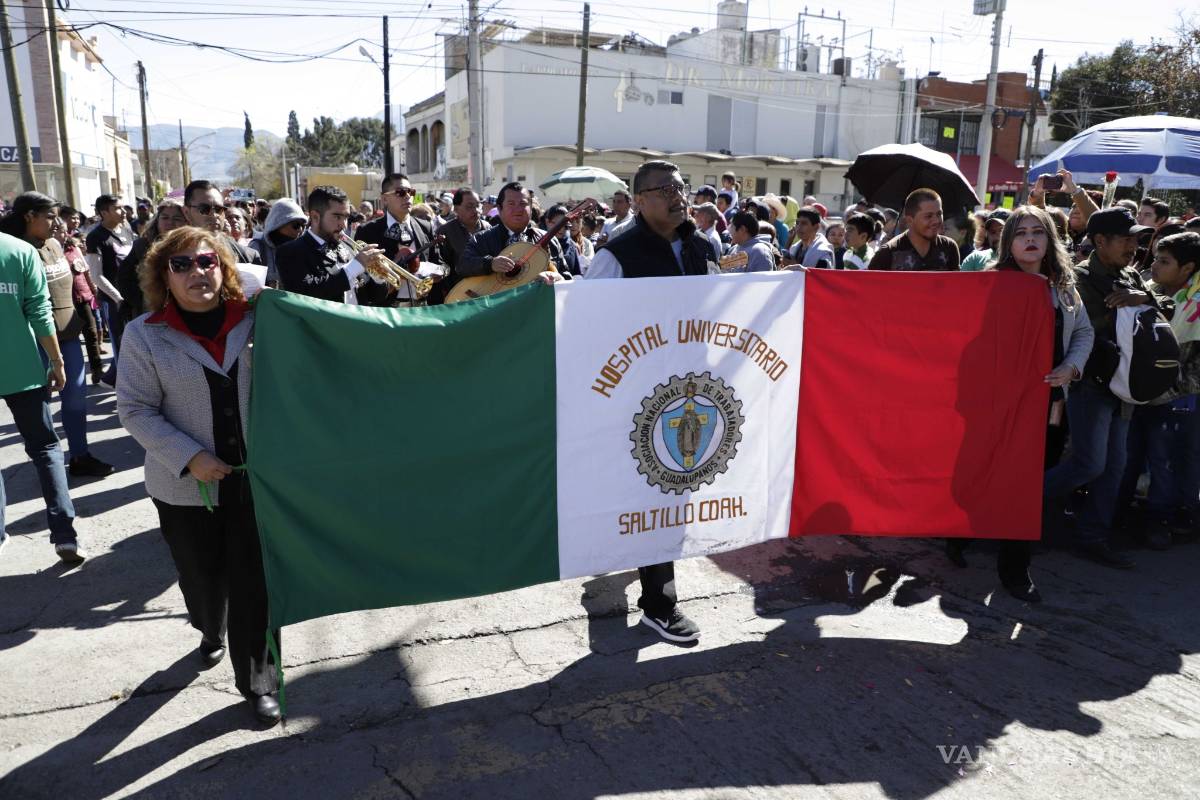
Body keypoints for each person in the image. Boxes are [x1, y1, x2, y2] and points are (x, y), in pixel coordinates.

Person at [116, 226, 280, 725]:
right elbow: (135, 409)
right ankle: (210, 627)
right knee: (204, 582)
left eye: (207, 261)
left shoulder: (256, 321)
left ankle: (258, 680)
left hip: (254, 484)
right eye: (182, 265)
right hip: (185, 489)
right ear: (164, 276)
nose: (197, 273)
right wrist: (189, 457)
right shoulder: (145, 333)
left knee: (254, 584)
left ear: (224, 268)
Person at [583, 161, 717, 642]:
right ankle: (659, 605)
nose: (679, 196)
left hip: (692, 396)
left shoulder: (702, 246)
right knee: (653, 492)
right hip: (637, 400)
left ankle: (643, 570)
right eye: (665, 190)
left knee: (675, 491)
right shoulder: (616, 254)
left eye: (681, 187)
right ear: (639, 201)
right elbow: (586, 321)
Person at [949, 206, 1095, 601]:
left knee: (1027, 487)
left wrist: (1071, 368)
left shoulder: (1063, 287)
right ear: (1007, 242)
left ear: (1049, 241)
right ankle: (957, 534)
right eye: (1021, 232)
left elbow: (1083, 331)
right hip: (992, 404)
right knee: (980, 472)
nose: (1030, 239)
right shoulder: (989, 285)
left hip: (1046, 404)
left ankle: (1015, 570)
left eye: (1038, 232)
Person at [1043, 207, 1160, 569]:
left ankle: (1093, 536)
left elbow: (1164, 306)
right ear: (1099, 241)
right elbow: (1080, 330)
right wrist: (1123, 308)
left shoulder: (1131, 277)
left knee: (1115, 466)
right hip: (1090, 384)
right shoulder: (1076, 279)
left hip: (1124, 386)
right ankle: (1016, 505)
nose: (1133, 245)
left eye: (1137, 238)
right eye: (1125, 238)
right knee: (1089, 463)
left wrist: (1145, 300)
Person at [1, 192, 115, 479]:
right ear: (29, 216)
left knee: (76, 398)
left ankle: (79, 455)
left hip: (67, 335)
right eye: (50, 217)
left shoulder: (55, 244)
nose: (57, 223)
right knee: (39, 409)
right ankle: (49, 464)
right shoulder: (16, 250)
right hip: (34, 343)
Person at [0, 228, 87, 562]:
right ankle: (65, 535)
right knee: (46, 447)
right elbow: (39, 309)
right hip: (24, 368)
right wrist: (56, 360)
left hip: (26, 372)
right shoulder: (20, 251)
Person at [1117, 232, 1200, 549]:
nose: (1154, 267)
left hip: (1178, 399)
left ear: (1187, 268)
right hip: (1137, 394)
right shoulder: (1147, 290)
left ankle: (1161, 519)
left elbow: (1196, 367)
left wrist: (1168, 389)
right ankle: (1119, 512)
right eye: (1154, 259)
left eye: (1163, 262)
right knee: (1130, 456)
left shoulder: (1196, 303)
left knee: (1167, 462)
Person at [276, 185, 385, 305]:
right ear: (315, 217)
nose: (344, 225)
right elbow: (305, 294)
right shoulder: (290, 251)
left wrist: (378, 277)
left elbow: (373, 297)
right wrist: (353, 268)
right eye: (337, 217)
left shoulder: (347, 247)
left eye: (346, 217)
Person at [356, 173, 443, 306]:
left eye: (411, 191)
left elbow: (440, 264)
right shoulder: (367, 231)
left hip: (423, 308)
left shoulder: (426, 226)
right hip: (386, 310)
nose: (408, 196)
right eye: (400, 192)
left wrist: (433, 274)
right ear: (384, 199)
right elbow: (362, 276)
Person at [460, 181, 565, 280]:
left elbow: (566, 274)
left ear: (531, 209)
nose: (518, 209)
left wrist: (556, 277)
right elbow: (462, 266)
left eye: (523, 204)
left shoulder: (549, 239)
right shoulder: (481, 239)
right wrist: (490, 263)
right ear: (500, 209)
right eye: (511, 204)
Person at [84, 194, 132, 384]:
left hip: (133, 297)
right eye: (118, 208)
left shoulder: (127, 230)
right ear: (104, 212)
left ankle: (111, 378)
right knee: (120, 344)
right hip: (114, 301)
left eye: (123, 207)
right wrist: (118, 298)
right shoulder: (96, 237)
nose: (124, 211)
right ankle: (124, 389)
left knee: (134, 343)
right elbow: (96, 275)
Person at [117, 199, 188, 322]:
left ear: (186, 222)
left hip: (186, 310)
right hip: (151, 312)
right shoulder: (142, 246)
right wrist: (144, 299)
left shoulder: (192, 246)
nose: (170, 223)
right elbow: (124, 279)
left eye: (177, 219)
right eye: (165, 218)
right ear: (157, 221)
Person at [56, 206, 105, 383]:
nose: (63, 235)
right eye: (58, 231)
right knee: (69, 340)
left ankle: (97, 369)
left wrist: (93, 290)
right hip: (63, 302)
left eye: (63, 231)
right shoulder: (50, 252)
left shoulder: (73, 247)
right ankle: (65, 375)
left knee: (91, 333)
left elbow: (85, 270)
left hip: (83, 298)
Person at [868, 189, 960, 271]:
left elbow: (955, 286)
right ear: (909, 220)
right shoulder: (887, 254)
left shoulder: (949, 247)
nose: (936, 220)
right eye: (928, 216)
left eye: (939, 214)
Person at [182, 181, 262, 266]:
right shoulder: (171, 254)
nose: (214, 215)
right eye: (204, 209)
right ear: (186, 212)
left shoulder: (248, 257)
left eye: (218, 209)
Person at [248, 198, 307, 288]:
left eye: (303, 225)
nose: (300, 230)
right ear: (279, 223)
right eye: (296, 225)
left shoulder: (303, 248)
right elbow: (249, 285)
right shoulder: (257, 247)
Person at [435, 187, 485, 282]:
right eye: (469, 206)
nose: (476, 210)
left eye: (478, 205)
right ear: (456, 209)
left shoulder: (489, 228)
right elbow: (442, 266)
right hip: (457, 290)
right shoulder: (444, 232)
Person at [544, 205, 583, 277]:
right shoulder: (540, 243)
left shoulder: (572, 245)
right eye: (557, 224)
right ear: (547, 222)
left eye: (564, 224)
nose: (561, 229)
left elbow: (577, 274)